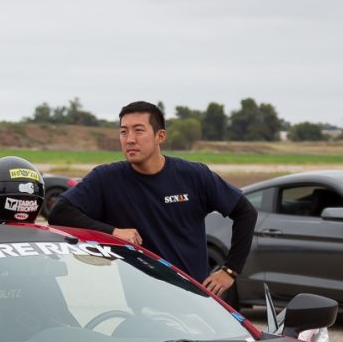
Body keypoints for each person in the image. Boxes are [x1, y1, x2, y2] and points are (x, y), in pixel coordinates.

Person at [48, 100, 257, 296]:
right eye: (123, 131)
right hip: (144, 304)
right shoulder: (106, 178)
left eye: (139, 130)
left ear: (160, 136)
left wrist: (230, 271)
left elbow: (246, 212)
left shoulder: (194, 175)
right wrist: (113, 232)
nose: (130, 139)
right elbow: (60, 212)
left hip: (196, 299)